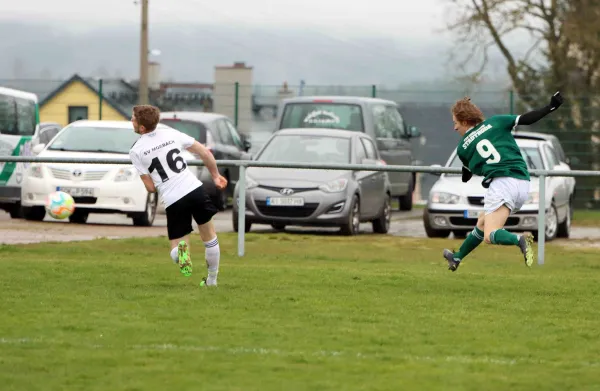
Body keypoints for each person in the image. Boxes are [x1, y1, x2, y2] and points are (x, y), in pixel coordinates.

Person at [444, 91, 564, 272]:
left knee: (490, 234)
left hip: (501, 184)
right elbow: (528, 119)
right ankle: (457, 257)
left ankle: (520, 240)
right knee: (482, 222)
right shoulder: (497, 121)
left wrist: (467, 169)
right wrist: (550, 107)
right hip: (523, 183)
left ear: (465, 121)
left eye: (455, 123)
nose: (454, 128)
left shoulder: (463, 147)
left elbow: (467, 174)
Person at [129, 105, 228, 286]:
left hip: (174, 200)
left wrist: (157, 178)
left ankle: (182, 256)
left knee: (177, 248)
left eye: (133, 119)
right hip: (195, 190)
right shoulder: (170, 133)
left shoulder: (136, 151)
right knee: (210, 237)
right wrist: (215, 176)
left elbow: (150, 187)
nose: (131, 121)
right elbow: (204, 152)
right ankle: (212, 280)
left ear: (142, 128)